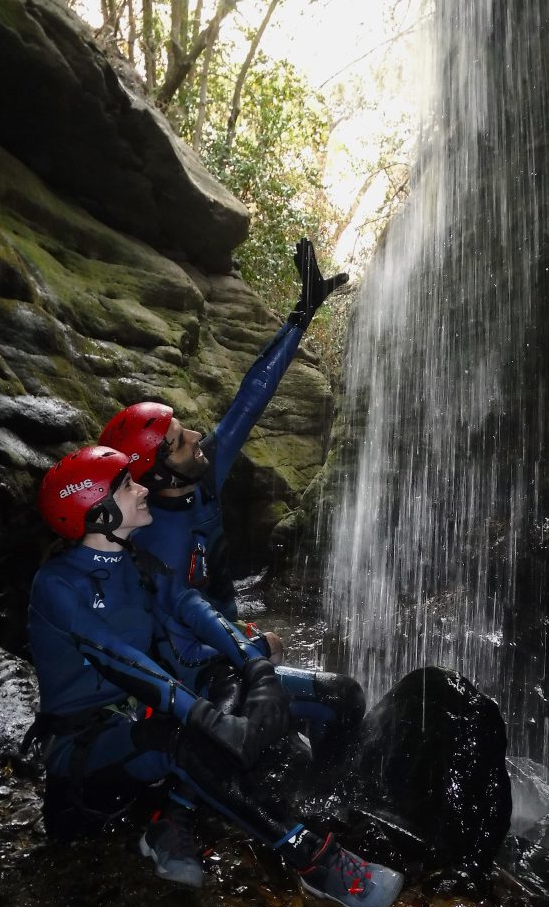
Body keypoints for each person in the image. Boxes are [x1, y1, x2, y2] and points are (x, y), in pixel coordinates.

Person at [27, 444, 405, 907]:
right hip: (86, 754)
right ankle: (315, 861)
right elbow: (122, 661)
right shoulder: (57, 586)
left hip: (146, 715)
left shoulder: (135, 561)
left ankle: (321, 802)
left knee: (334, 693)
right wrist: (209, 717)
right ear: (97, 512)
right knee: (179, 737)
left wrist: (255, 666)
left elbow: (192, 607)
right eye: (127, 485)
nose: (143, 487)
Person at [99, 239, 364, 762]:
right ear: (154, 475)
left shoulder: (204, 474)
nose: (197, 435)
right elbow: (174, 640)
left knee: (294, 713)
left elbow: (251, 396)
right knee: (344, 697)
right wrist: (253, 652)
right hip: (202, 678)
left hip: (230, 647)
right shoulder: (149, 541)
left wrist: (301, 315)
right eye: (179, 440)